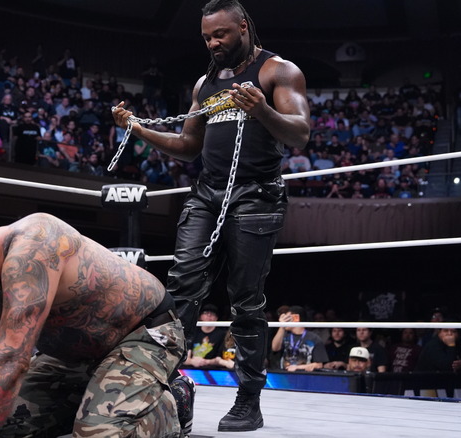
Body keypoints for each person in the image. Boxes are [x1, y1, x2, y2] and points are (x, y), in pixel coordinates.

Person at [112, 0, 310, 432]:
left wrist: (262, 109)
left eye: (220, 34)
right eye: (206, 37)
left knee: (245, 298)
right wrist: (139, 128)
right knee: (181, 288)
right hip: (207, 195)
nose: (214, 43)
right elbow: (188, 145)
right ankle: (160, 385)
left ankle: (249, 400)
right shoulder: (207, 83)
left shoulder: (279, 72)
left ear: (242, 26)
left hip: (256, 197)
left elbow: (299, 133)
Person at [0, 213, 186, 437]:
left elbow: (10, 360)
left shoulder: (32, 249)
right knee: (1, 428)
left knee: (99, 433)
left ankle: (172, 404)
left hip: (142, 335)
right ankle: (91, 401)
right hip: (71, 357)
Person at [270, 306, 328, 372]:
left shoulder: (314, 338)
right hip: (283, 377)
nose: (285, 320)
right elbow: (275, 348)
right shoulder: (283, 334)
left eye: (287, 318)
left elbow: (319, 365)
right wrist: (282, 326)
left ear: (296, 318)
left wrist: (298, 367)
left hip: (304, 377)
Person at [184, 303, 234, 369]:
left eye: (212, 313)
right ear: (200, 316)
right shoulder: (193, 332)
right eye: (206, 312)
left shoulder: (222, 334)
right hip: (191, 369)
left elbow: (220, 358)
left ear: (216, 318)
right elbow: (185, 357)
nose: (209, 315)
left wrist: (207, 362)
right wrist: (192, 361)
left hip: (214, 370)